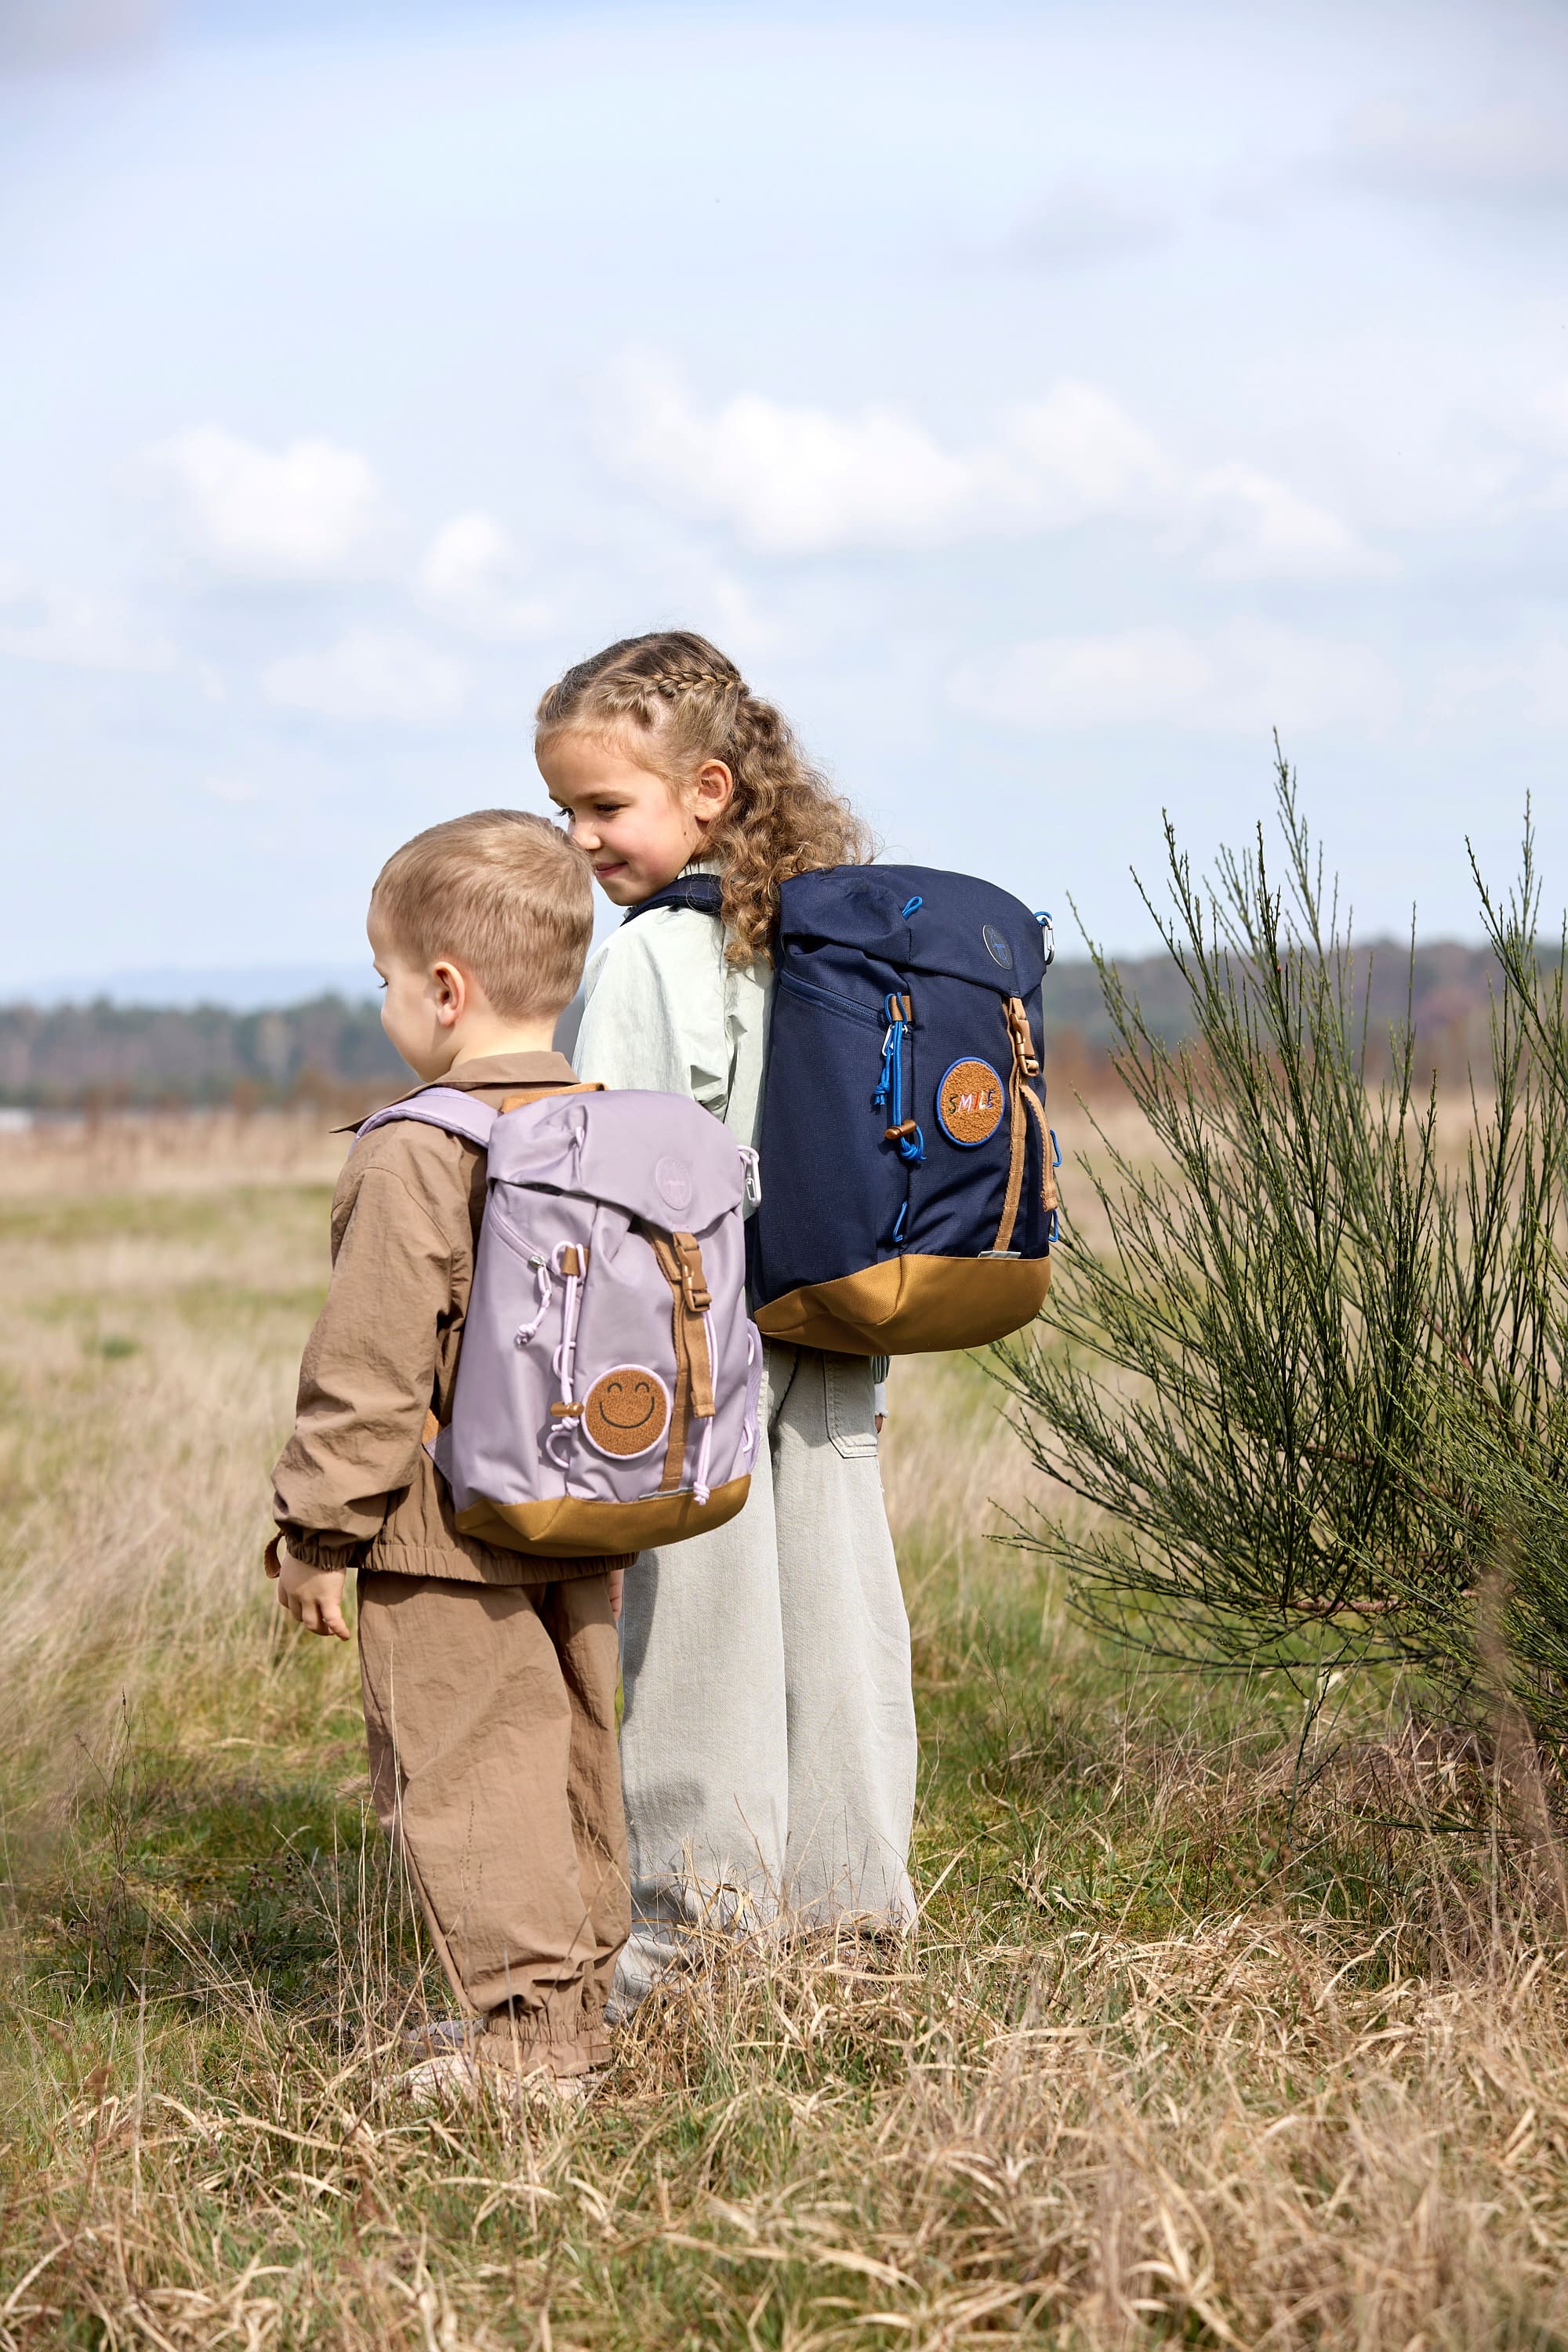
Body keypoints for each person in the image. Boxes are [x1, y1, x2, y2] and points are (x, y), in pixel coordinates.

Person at [536, 630, 917, 2014]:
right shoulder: (825, 934)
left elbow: (600, 1192)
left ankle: (699, 1940)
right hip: (837, 1331)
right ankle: (858, 1925)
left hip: (701, 1354)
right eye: (564, 811)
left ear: (707, 789)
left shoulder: (650, 961)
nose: (582, 838)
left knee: (699, 1628)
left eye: (604, 807)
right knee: (844, 1625)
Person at [267, 810, 630, 2096]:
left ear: (443, 988)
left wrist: (318, 1536)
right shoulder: (607, 1123)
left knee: (474, 1768)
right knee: (577, 1749)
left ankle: (529, 2044)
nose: (381, 1002)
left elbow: (367, 1366)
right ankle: (573, 2011)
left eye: (381, 977)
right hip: (588, 1506)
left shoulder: (419, 1145)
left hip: (441, 1526)